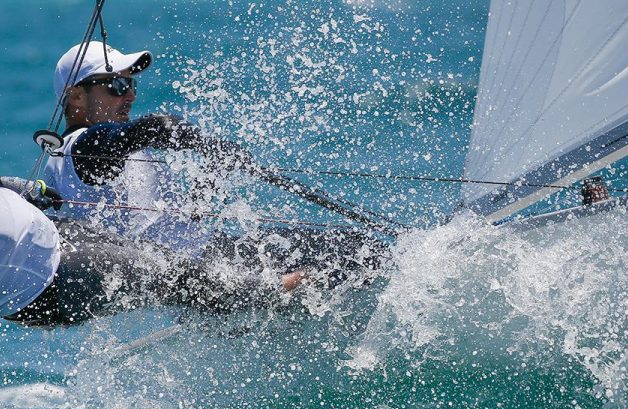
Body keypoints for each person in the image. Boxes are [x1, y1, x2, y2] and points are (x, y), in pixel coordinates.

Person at [0, 101, 303, 327]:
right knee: (170, 275)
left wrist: (5, 189)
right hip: (47, 282)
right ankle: (279, 300)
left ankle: (231, 303)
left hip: (47, 235)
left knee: (169, 262)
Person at [44, 41, 388, 283]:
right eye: (117, 85)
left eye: (131, 84)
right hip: (206, 268)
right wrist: (170, 131)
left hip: (210, 259)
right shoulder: (81, 149)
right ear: (76, 95)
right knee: (364, 251)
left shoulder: (106, 150)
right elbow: (138, 134)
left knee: (358, 248)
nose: (130, 94)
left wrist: (213, 167)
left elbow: (176, 220)